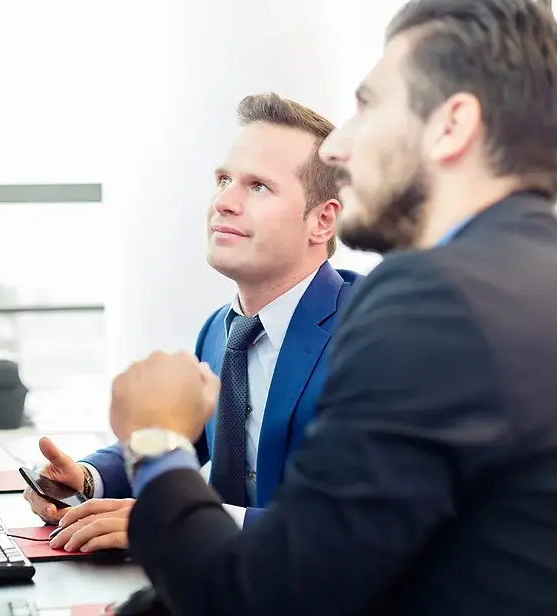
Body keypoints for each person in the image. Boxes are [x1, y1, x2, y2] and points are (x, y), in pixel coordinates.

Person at [109, 0, 557, 614]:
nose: (337, 147)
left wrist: (156, 443)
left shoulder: (432, 300)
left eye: (369, 105)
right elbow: (374, 563)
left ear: (451, 126)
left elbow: (262, 599)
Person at [24, 94, 364, 553]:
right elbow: (181, 438)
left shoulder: (369, 333)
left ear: (322, 221)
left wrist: (175, 520)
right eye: (223, 180)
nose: (223, 202)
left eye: (257, 186)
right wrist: (87, 477)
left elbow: (355, 527)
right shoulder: (221, 331)